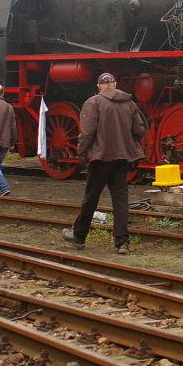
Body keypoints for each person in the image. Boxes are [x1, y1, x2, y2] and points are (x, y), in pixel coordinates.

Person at [62, 72, 145, 255]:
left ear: (99, 87)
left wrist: (81, 153)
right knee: (120, 200)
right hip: (122, 158)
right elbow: (139, 130)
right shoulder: (129, 103)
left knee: (91, 198)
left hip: (100, 158)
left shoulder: (93, 103)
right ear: (115, 85)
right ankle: (122, 243)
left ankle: (79, 236)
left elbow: (87, 133)